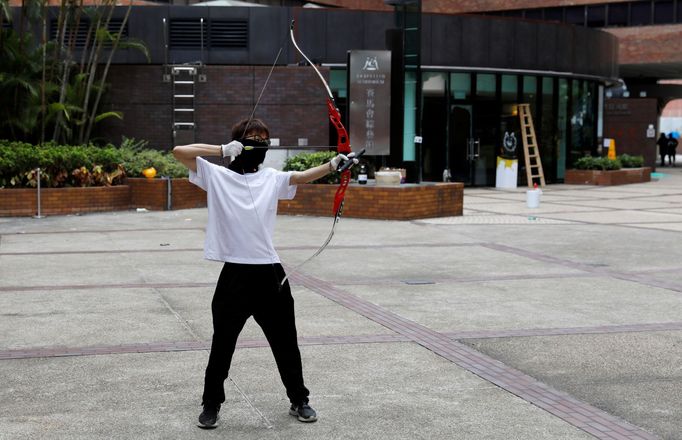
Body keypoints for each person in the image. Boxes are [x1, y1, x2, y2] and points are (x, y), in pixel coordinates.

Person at [172, 118, 357, 430]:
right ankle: (211, 404)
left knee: (286, 342)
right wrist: (221, 149)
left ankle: (299, 399)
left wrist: (334, 163)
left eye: (263, 137)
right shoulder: (215, 175)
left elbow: (302, 176)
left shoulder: (271, 177)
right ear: (237, 143)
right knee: (223, 344)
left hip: (270, 274)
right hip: (234, 275)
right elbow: (179, 151)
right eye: (251, 137)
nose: (258, 141)